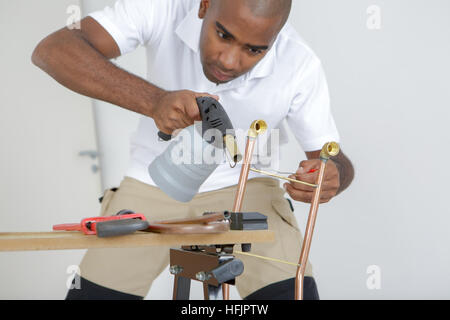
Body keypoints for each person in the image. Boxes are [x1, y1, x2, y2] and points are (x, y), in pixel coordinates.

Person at [32, 0, 354, 300]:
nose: (229, 61)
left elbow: (332, 158)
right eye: (223, 34)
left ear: (277, 36)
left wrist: (331, 175)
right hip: (152, 180)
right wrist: (153, 100)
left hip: (246, 186)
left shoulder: (299, 61)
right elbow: (54, 50)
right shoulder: (161, 7)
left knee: (293, 293)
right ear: (203, 5)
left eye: (254, 49)